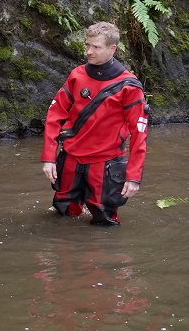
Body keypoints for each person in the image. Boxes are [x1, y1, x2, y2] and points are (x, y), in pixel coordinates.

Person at [41, 22, 148, 225]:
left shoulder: (129, 86)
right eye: (87, 45)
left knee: (104, 220)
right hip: (71, 158)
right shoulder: (77, 75)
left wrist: (133, 177)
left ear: (112, 49)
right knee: (63, 213)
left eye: (96, 47)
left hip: (105, 163)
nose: (89, 51)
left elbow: (139, 133)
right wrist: (48, 157)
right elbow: (54, 116)